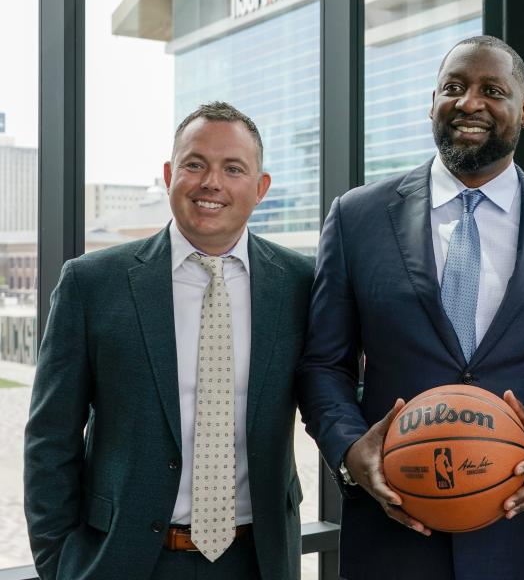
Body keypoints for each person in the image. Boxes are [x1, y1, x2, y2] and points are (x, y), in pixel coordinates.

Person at [297, 35, 524, 579]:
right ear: (432, 103)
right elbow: (323, 364)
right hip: (392, 536)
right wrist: (351, 450)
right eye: (454, 87)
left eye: (493, 90)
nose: (470, 103)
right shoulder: (357, 217)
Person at [24, 102, 313, 579]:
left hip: (258, 559)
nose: (211, 183)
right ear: (168, 174)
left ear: (260, 188)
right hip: (123, 561)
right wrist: (58, 563)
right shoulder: (92, 283)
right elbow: (50, 438)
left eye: (233, 168)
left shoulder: (300, 283)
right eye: (194, 164)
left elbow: (331, 390)